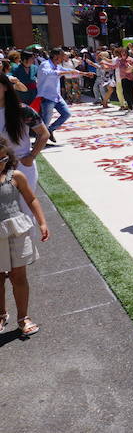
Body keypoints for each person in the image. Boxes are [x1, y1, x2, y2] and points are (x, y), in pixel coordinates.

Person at [0, 136, 51, 337]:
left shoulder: (16, 176)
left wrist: (42, 222)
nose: (0, 164)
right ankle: (1, 314)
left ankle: (23, 317)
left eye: (3, 160)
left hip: (17, 231)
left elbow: (31, 199)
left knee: (18, 276)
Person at [0, 74, 49, 200]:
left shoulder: (22, 110)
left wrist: (31, 156)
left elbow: (44, 134)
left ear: (5, 87)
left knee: (25, 209)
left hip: (21, 166)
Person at [36, 48, 88, 143]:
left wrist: (85, 73)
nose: (63, 57)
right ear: (56, 56)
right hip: (47, 96)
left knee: (66, 114)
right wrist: (66, 72)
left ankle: (50, 130)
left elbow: (69, 70)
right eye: (62, 55)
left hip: (56, 96)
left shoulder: (57, 66)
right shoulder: (45, 64)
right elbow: (49, 73)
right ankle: (39, 141)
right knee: (45, 121)